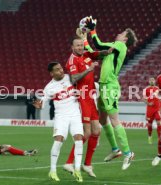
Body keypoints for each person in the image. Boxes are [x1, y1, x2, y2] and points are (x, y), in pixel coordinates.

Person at [85, 17, 137, 170]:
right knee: (102, 119)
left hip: (110, 87)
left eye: (122, 33)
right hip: (103, 86)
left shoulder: (120, 45)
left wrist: (92, 29)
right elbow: (93, 52)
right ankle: (116, 150)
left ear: (125, 38)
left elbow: (99, 44)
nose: (119, 34)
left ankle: (128, 153)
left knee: (114, 119)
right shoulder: (112, 51)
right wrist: (84, 38)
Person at [64, 34, 111, 177]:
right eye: (77, 45)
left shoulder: (87, 55)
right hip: (81, 98)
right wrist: (89, 70)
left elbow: (101, 54)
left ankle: (87, 164)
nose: (80, 47)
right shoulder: (72, 60)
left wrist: (111, 49)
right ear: (72, 47)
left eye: (81, 45)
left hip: (90, 98)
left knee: (96, 131)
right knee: (87, 132)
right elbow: (73, 79)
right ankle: (69, 162)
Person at [33, 62, 84, 182]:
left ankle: (77, 170)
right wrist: (39, 105)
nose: (61, 71)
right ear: (51, 73)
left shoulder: (70, 77)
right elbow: (42, 103)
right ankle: (52, 170)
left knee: (79, 140)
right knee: (58, 140)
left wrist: (79, 93)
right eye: (57, 69)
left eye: (61, 68)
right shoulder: (49, 87)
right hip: (61, 117)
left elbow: (81, 86)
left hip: (76, 114)